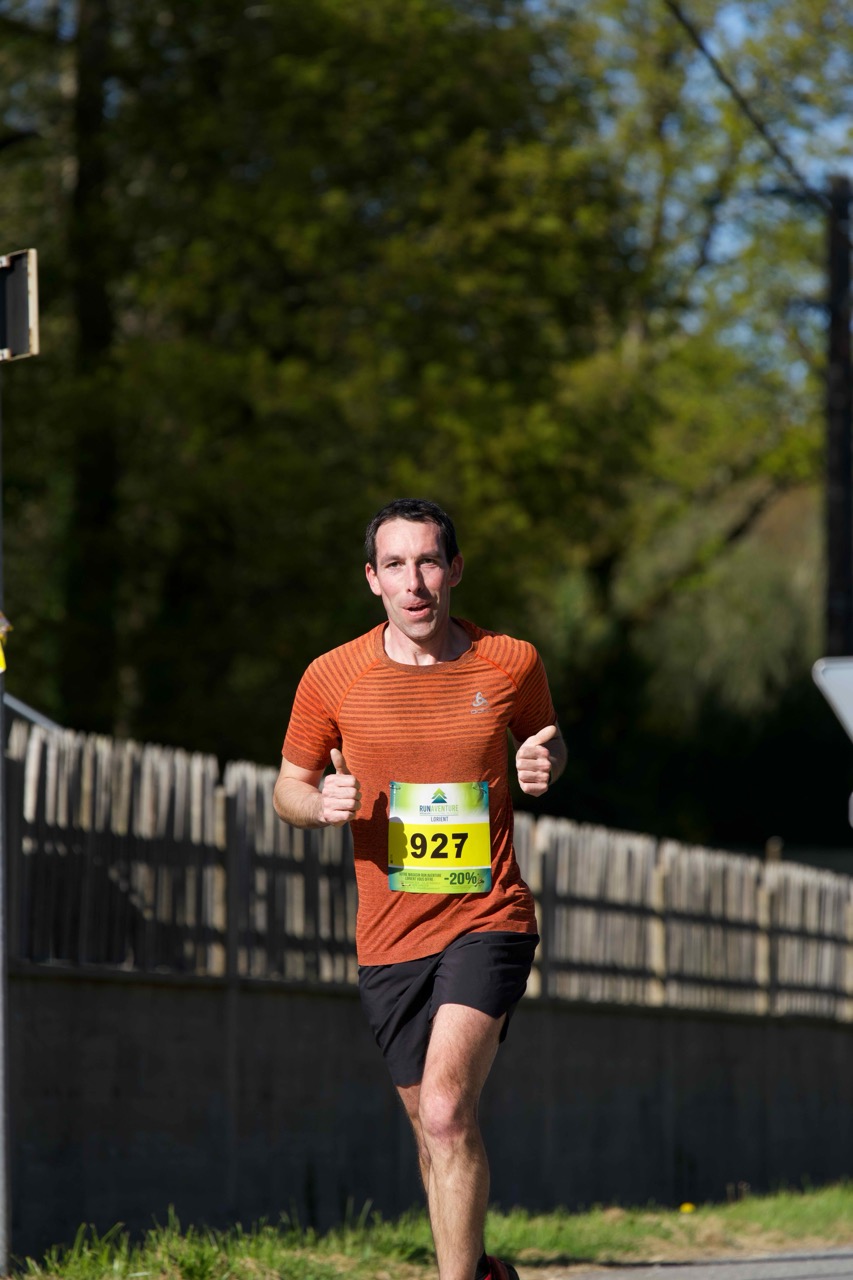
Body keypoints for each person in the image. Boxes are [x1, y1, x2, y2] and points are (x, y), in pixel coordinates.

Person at [274, 498, 566, 1280]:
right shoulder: (332, 676)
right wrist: (318, 803)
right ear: (372, 579)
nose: (414, 583)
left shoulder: (510, 662)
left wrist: (543, 763)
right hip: (389, 936)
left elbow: (545, 739)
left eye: (429, 562)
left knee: (444, 1112)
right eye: (396, 565)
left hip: (489, 916)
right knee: (430, 1129)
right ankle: (480, 1271)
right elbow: (288, 788)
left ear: (454, 569)